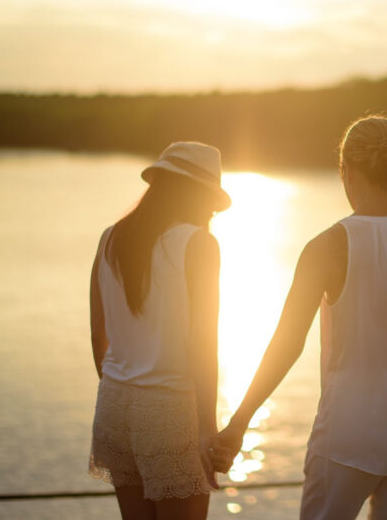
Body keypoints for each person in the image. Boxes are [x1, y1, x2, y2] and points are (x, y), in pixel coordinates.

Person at [215, 116, 387, 520]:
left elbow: (287, 343)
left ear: (345, 171)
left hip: (348, 435)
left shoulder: (327, 246)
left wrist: (238, 423)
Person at [88, 141, 232, 520]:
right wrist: (207, 429)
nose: (213, 212)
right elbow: (203, 344)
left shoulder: (111, 238)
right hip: (171, 409)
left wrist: (122, 384)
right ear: (195, 193)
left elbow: (96, 335)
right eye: (211, 202)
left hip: (115, 404)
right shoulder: (199, 244)